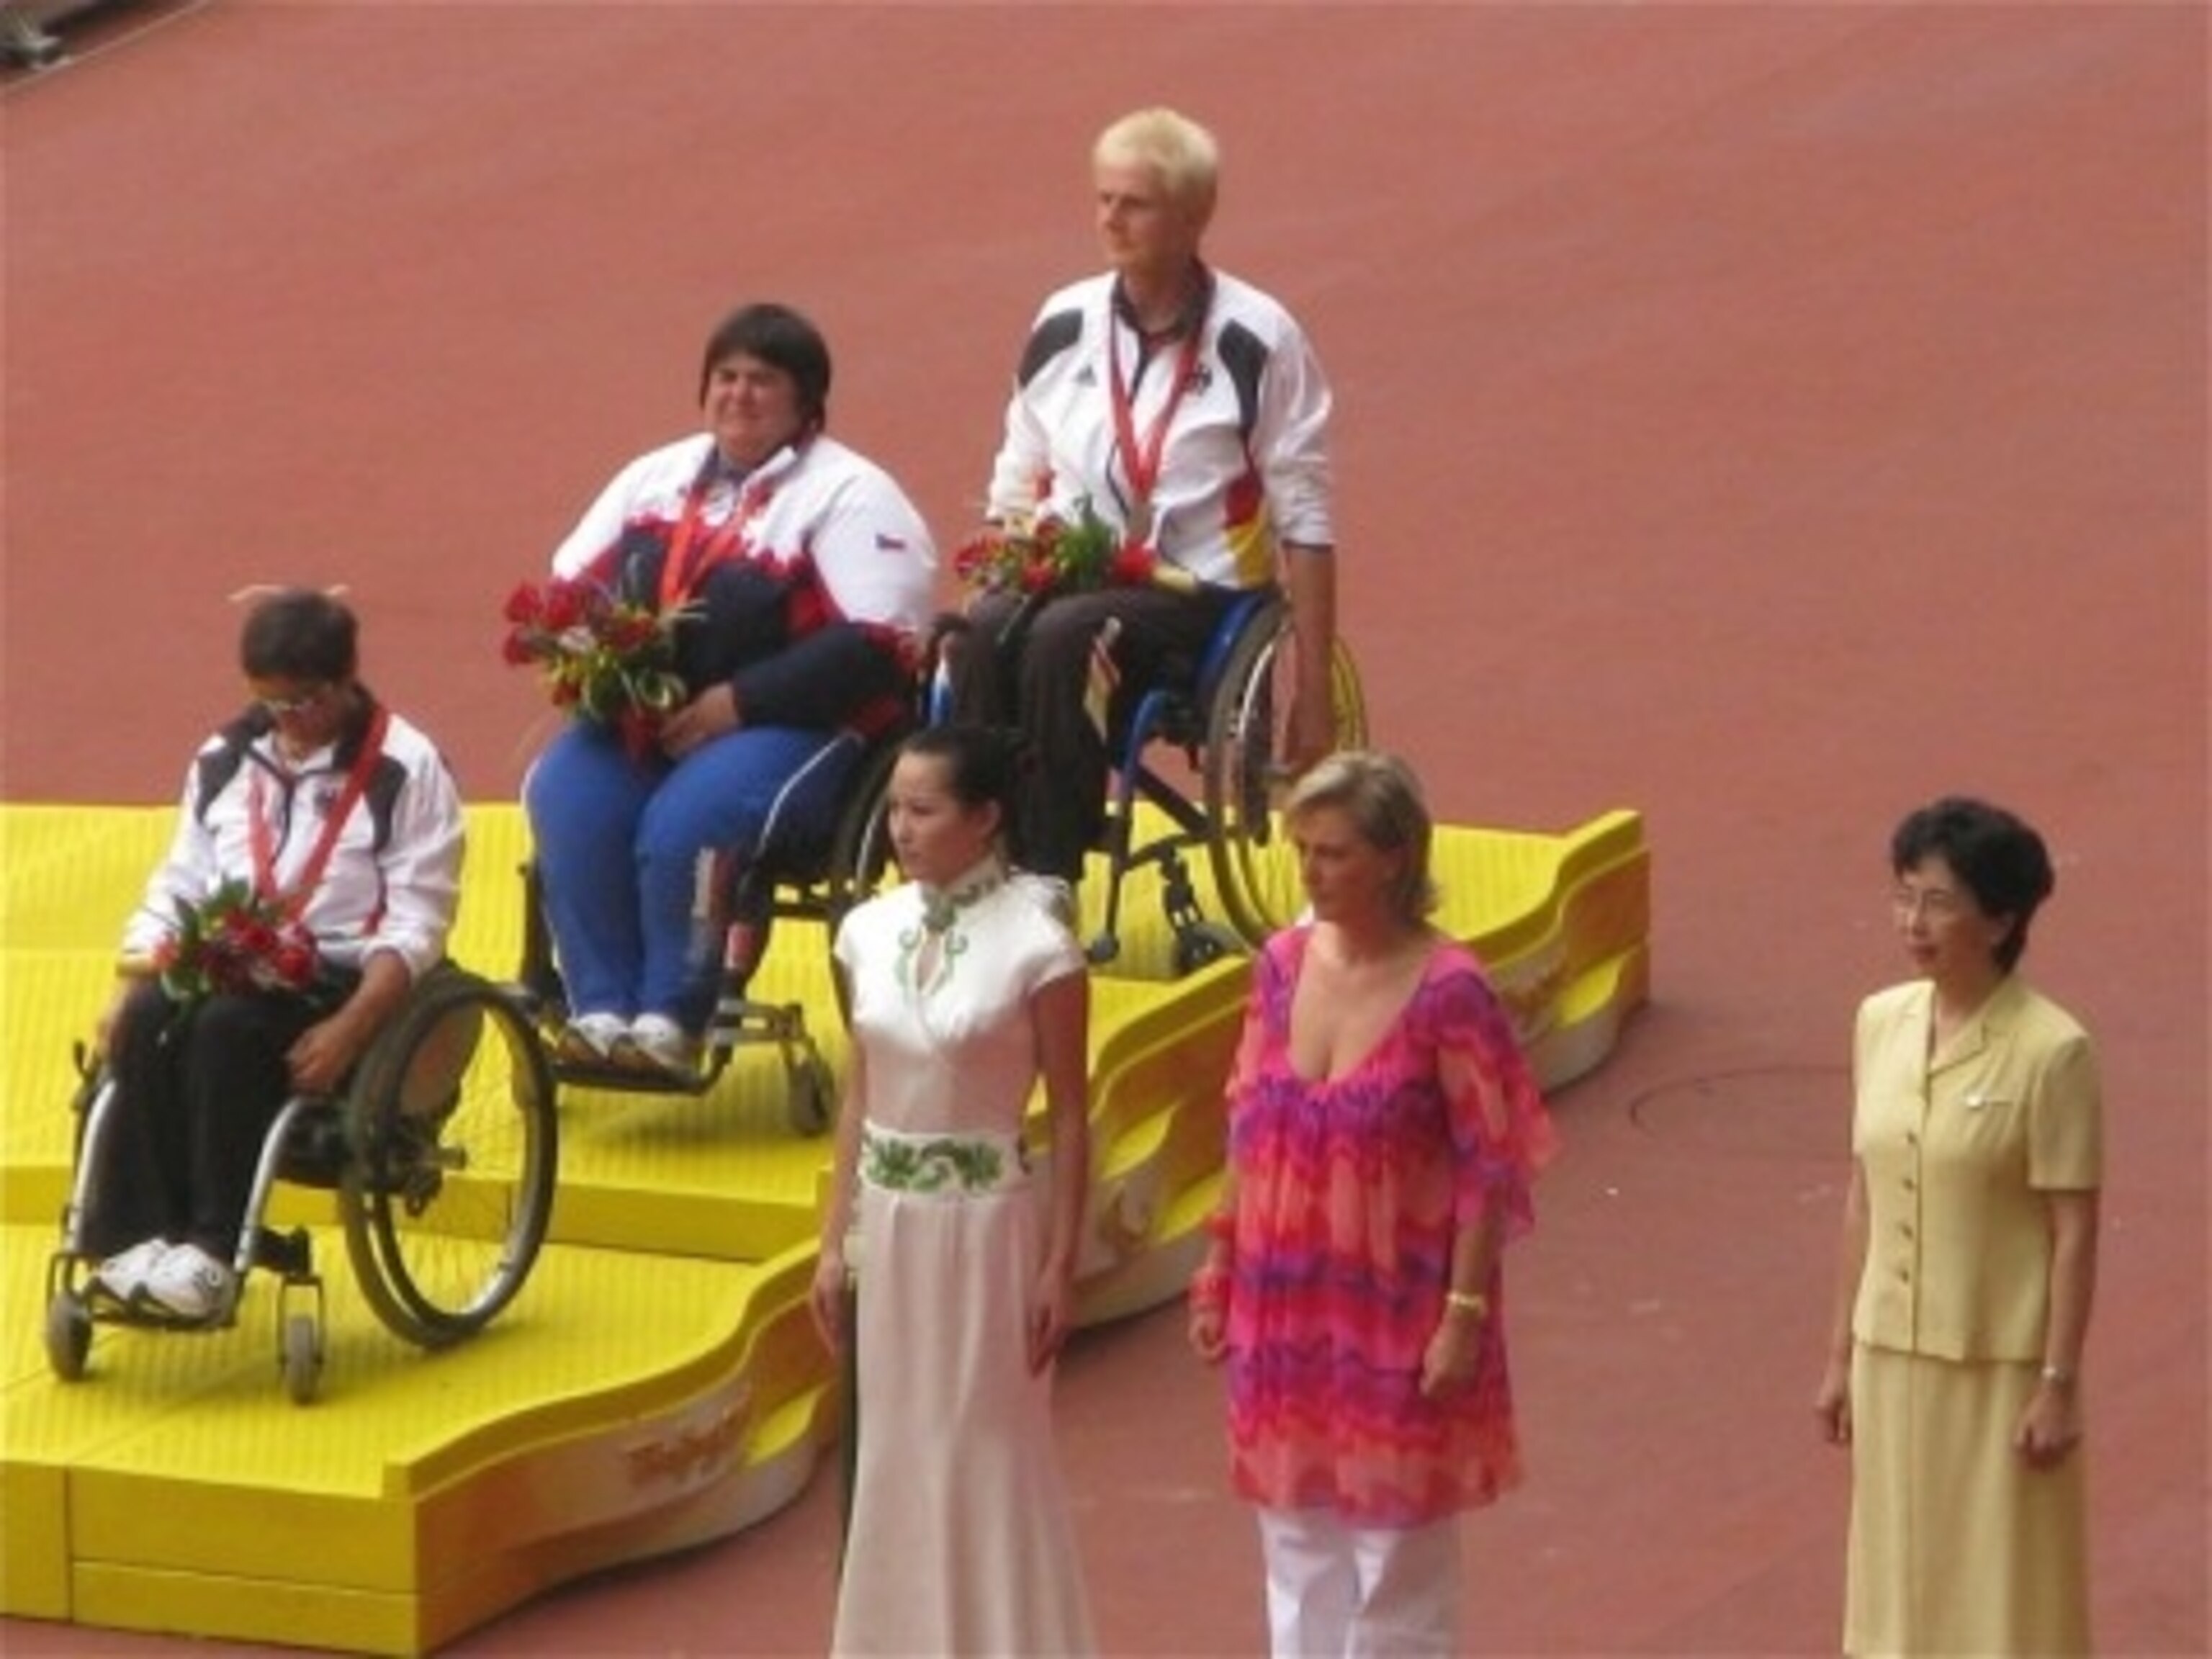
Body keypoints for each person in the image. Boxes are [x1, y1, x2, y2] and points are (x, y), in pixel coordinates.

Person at [1187, 750, 1556, 1657]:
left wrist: (1462, 1316)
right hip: (1286, 1291)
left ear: (1395, 858)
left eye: (1333, 852)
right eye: (1303, 849)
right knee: (1295, 1529)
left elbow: (1488, 1162)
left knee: (1396, 1550)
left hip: (1400, 1295)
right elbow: (1249, 1120)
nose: (1309, 871)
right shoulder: (1278, 966)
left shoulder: (1450, 991)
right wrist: (1219, 1260)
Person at [523, 302, 936, 1077]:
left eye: (763, 381)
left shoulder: (850, 494)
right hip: (655, 719)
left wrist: (731, 707)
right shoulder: (655, 478)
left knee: (690, 821)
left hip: (796, 727)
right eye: (727, 377)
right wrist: (603, 669)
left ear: (807, 402)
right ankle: (602, 1010)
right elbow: (569, 589)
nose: (740, 395)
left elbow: (876, 646)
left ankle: (669, 1018)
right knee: (568, 794)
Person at [944, 106, 1339, 884]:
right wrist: (1000, 560)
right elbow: (1020, 469)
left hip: (1200, 591)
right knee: (980, 633)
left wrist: (1314, 688)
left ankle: (1047, 877)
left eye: (1135, 203)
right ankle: (977, 855)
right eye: (1103, 199)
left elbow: (1307, 516)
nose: (1111, 220)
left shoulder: (1258, 339)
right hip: (1073, 570)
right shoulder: (1064, 320)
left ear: (1193, 217)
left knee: (1065, 639)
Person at [84, 588, 466, 1321]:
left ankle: (212, 1252)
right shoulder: (229, 755)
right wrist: (127, 982)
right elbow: (183, 878)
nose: (287, 725)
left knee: (225, 1030)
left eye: (304, 705)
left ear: (347, 679)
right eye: (270, 704)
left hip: (337, 978)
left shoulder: (407, 770)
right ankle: (129, 1240)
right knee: (151, 1016)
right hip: (233, 956)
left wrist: (351, 1027)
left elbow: (418, 923)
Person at [809, 724, 1096, 1655]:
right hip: (889, 1231)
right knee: (896, 1444)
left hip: (987, 1231)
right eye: (895, 807)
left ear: (984, 819)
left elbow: (1073, 1114)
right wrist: (830, 1241)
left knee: (984, 1449)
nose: (901, 828)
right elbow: (862, 1091)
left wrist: (1060, 1263)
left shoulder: (1038, 947)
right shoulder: (865, 931)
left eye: (923, 810)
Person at [1814, 796, 2100, 1655]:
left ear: (2002, 917)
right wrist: (1839, 1358)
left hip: (1996, 1370)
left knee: (2001, 1591)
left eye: (1938, 902)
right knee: (1895, 1581)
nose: (1914, 922)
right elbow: (1865, 1194)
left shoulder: (2054, 1052)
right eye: (1905, 896)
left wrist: (2058, 1381)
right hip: (1891, 1357)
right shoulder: (1881, 1022)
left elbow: (2073, 1230)